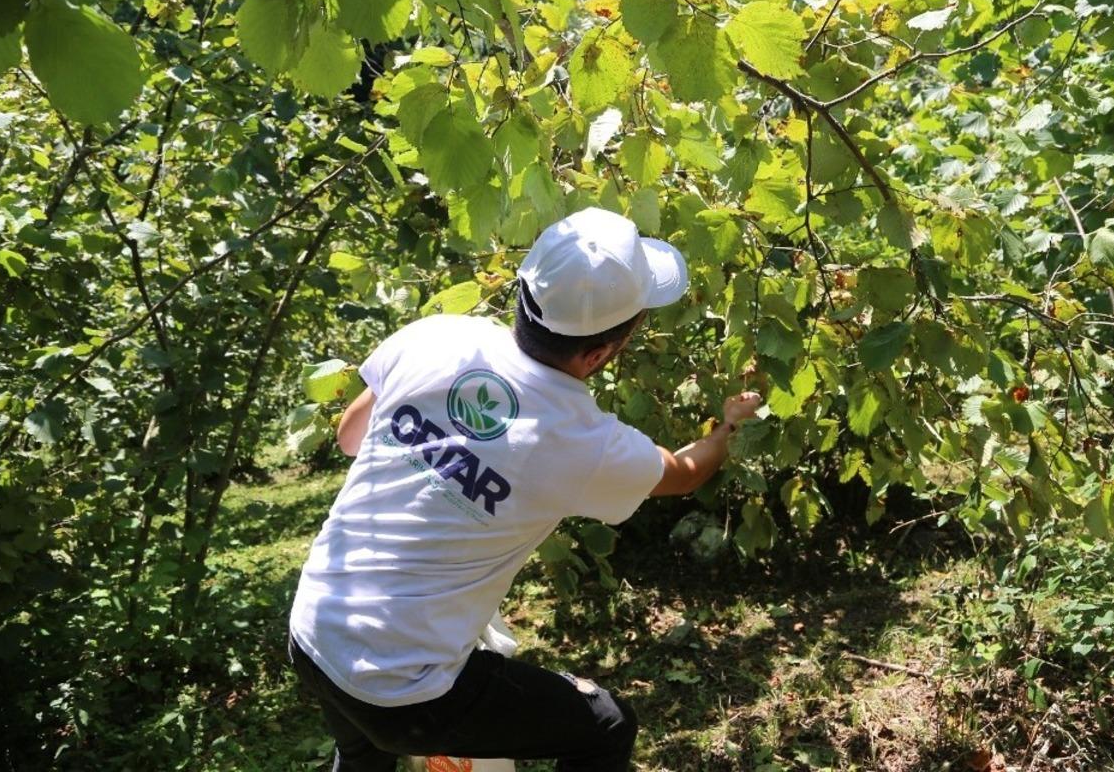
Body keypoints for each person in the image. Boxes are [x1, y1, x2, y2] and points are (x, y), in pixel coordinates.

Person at [287, 207, 762, 771]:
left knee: (361, 751)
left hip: (314, 630)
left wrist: (440, 449)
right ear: (600, 352)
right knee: (606, 725)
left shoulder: (436, 335)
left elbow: (349, 437)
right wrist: (728, 426)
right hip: (403, 690)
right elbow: (684, 472)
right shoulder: (582, 440)